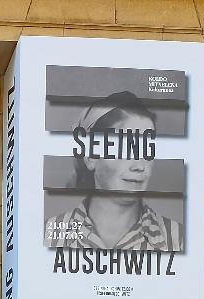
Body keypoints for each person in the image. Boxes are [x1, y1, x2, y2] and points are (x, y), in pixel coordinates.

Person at [46, 91, 184, 251]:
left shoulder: (177, 239)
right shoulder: (51, 234)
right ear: (91, 157)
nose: (139, 166)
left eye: (147, 150)